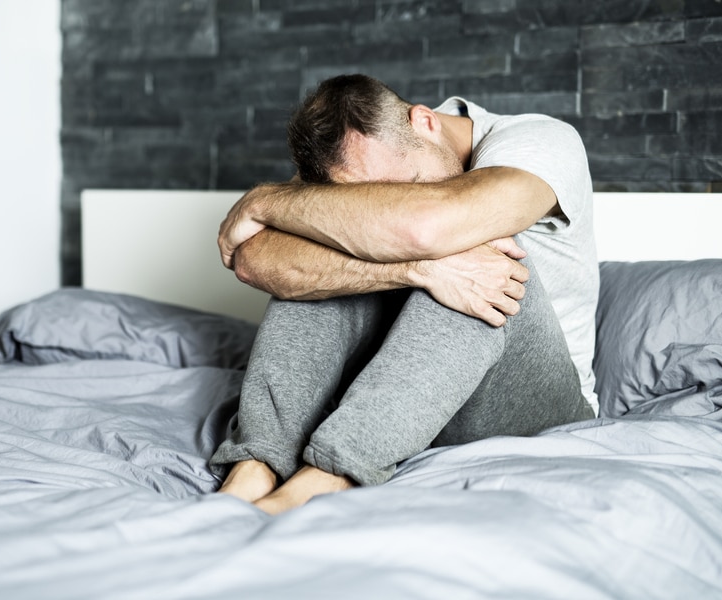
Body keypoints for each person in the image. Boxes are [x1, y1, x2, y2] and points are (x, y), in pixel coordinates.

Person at [208, 74, 599, 515]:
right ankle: (258, 461)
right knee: (326, 256)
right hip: (402, 412)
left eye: (409, 186)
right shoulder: (351, 161)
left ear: (426, 122)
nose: (397, 203)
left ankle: (331, 474)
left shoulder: (543, 141)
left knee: (477, 252)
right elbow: (256, 259)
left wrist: (263, 201)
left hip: (535, 408)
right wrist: (416, 268)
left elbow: (426, 228)